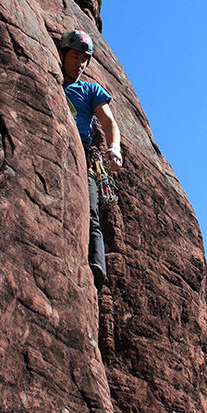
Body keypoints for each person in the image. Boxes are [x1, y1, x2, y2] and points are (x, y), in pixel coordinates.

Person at [57, 29, 122, 290]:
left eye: (84, 59)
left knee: (91, 210)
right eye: (75, 57)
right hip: (58, 139)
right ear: (63, 55)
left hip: (82, 152)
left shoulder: (91, 89)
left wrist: (114, 147)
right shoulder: (51, 79)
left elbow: (109, 122)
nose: (80, 64)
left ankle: (96, 266)